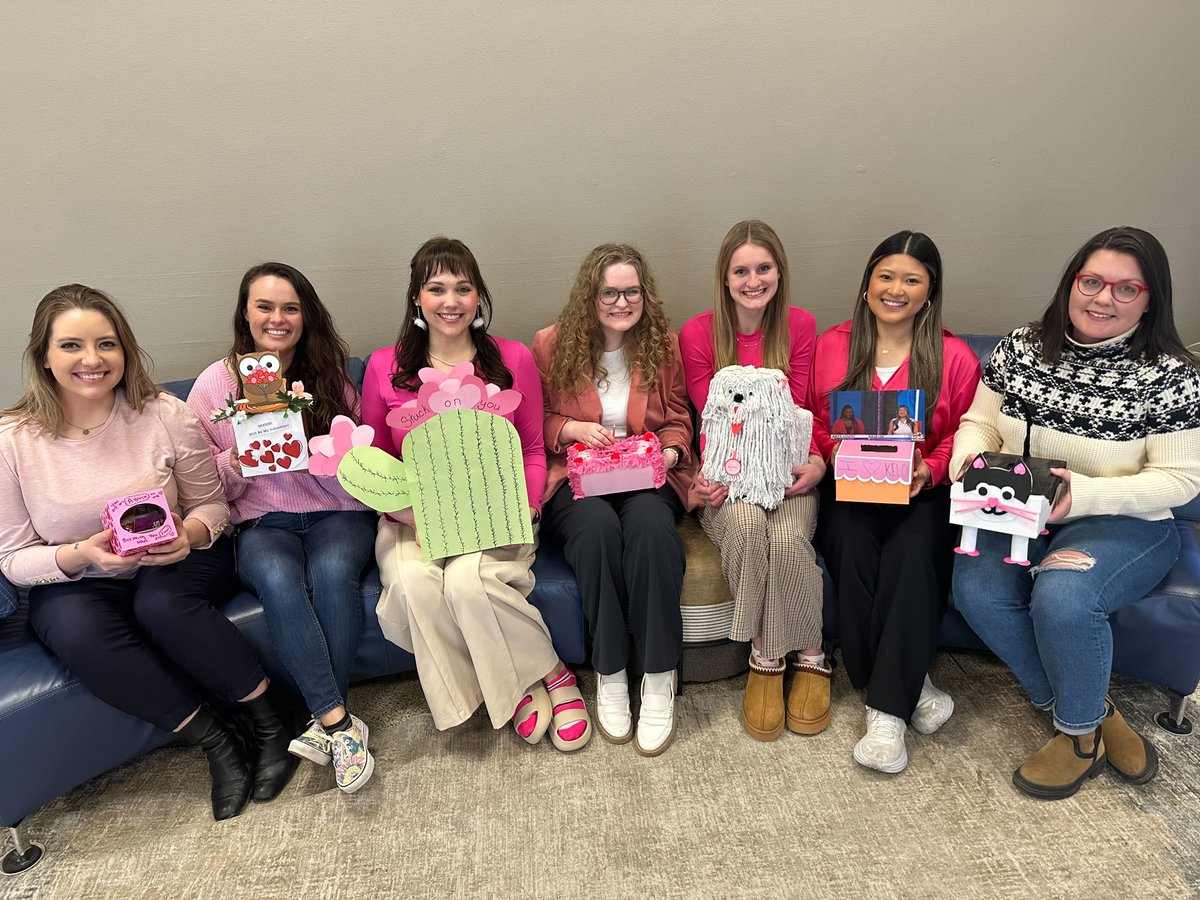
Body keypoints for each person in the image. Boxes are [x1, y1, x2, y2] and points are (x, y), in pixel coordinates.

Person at [0, 285, 294, 821]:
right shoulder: (12, 441)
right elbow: (14, 557)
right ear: (43, 355)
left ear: (126, 350)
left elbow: (214, 505)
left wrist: (192, 534)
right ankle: (216, 740)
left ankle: (272, 721)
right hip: (81, 573)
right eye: (71, 346)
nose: (92, 360)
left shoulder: (165, 414)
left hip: (182, 556)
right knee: (72, 629)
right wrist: (77, 556)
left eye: (106, 344)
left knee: (160, 605)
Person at [950, 226, 1200, 799]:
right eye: (1091, 281)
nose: (1102, 298)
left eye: (1125, 289)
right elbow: (979, 423)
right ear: (1071, 284)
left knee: (1063, 597)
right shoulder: (1020, 348)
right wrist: (968, 462)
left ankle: (1077, 735)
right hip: (1015, 507)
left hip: (1124, 522)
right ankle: (1094, 709)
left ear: (1151, 298)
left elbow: (1181, 480)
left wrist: (1082, 496)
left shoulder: (1172, 375)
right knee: (978, 591)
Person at [364, 237, 591, 752]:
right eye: (437, 287)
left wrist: (525, 507)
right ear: (416, 298)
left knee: (468, 581)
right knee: (415, 584)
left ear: (479, 295)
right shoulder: (385, 366)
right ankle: (528, 680)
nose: (451, 301)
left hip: (497, 513)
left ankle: (544, 677)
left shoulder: (511, 358)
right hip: (411, 518)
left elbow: (534, 448)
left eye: (463, 288)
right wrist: (405, 513)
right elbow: (374, 460)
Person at [186, 263, 377, 794]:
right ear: (244, 313)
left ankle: (324, 721)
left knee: (335, 572)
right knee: (276, 578)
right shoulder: (214, 385)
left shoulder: (329, 375)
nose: (277, 318)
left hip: (337, 511)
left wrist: (325, 451)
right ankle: (340, 724)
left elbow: (359, 464)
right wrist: (245, 454)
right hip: (261, 519)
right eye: (264, 306)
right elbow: (201, 486)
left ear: (305, 315)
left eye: (290, 307)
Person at [809, 231, 981, 773]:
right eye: (886, 276)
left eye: (911, 279)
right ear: (866, 285)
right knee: (851, 547)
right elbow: (812, 419)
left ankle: (886, 714)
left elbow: (969, 431)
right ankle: (914, 684)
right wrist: (830, 455)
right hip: (848, 487)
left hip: (921, 491)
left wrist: (929, 468)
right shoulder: (831, 345)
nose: (896, 289)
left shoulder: (953, 355)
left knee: (911, 556)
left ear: (929, 291)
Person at [534, 243, 694, 757]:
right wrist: (571, 427)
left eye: (631, 291)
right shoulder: (550, 344)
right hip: (579, 479)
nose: (622, 302)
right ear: (591, 294)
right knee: (597, 530)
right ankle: (611, 670)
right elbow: (529, 423)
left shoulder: (662, 345)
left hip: (645, 477)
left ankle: (659, 674)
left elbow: (678, 418)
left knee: (650, 530)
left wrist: (669, 453)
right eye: (610, 292)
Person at [679, 220, 829, 742]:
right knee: (745, 529)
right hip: (728, 477)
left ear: (779, 272)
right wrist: (702, 480)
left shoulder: (801, 325)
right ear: (724, 279)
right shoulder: (698, 333)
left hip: (789, 467)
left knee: (787, 537)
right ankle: (767, 654)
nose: (752, 280)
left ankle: (809, 653)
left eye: (763, 268)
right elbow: (706, 418)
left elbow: (805, 408)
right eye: (740, 270)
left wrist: (818, 463)